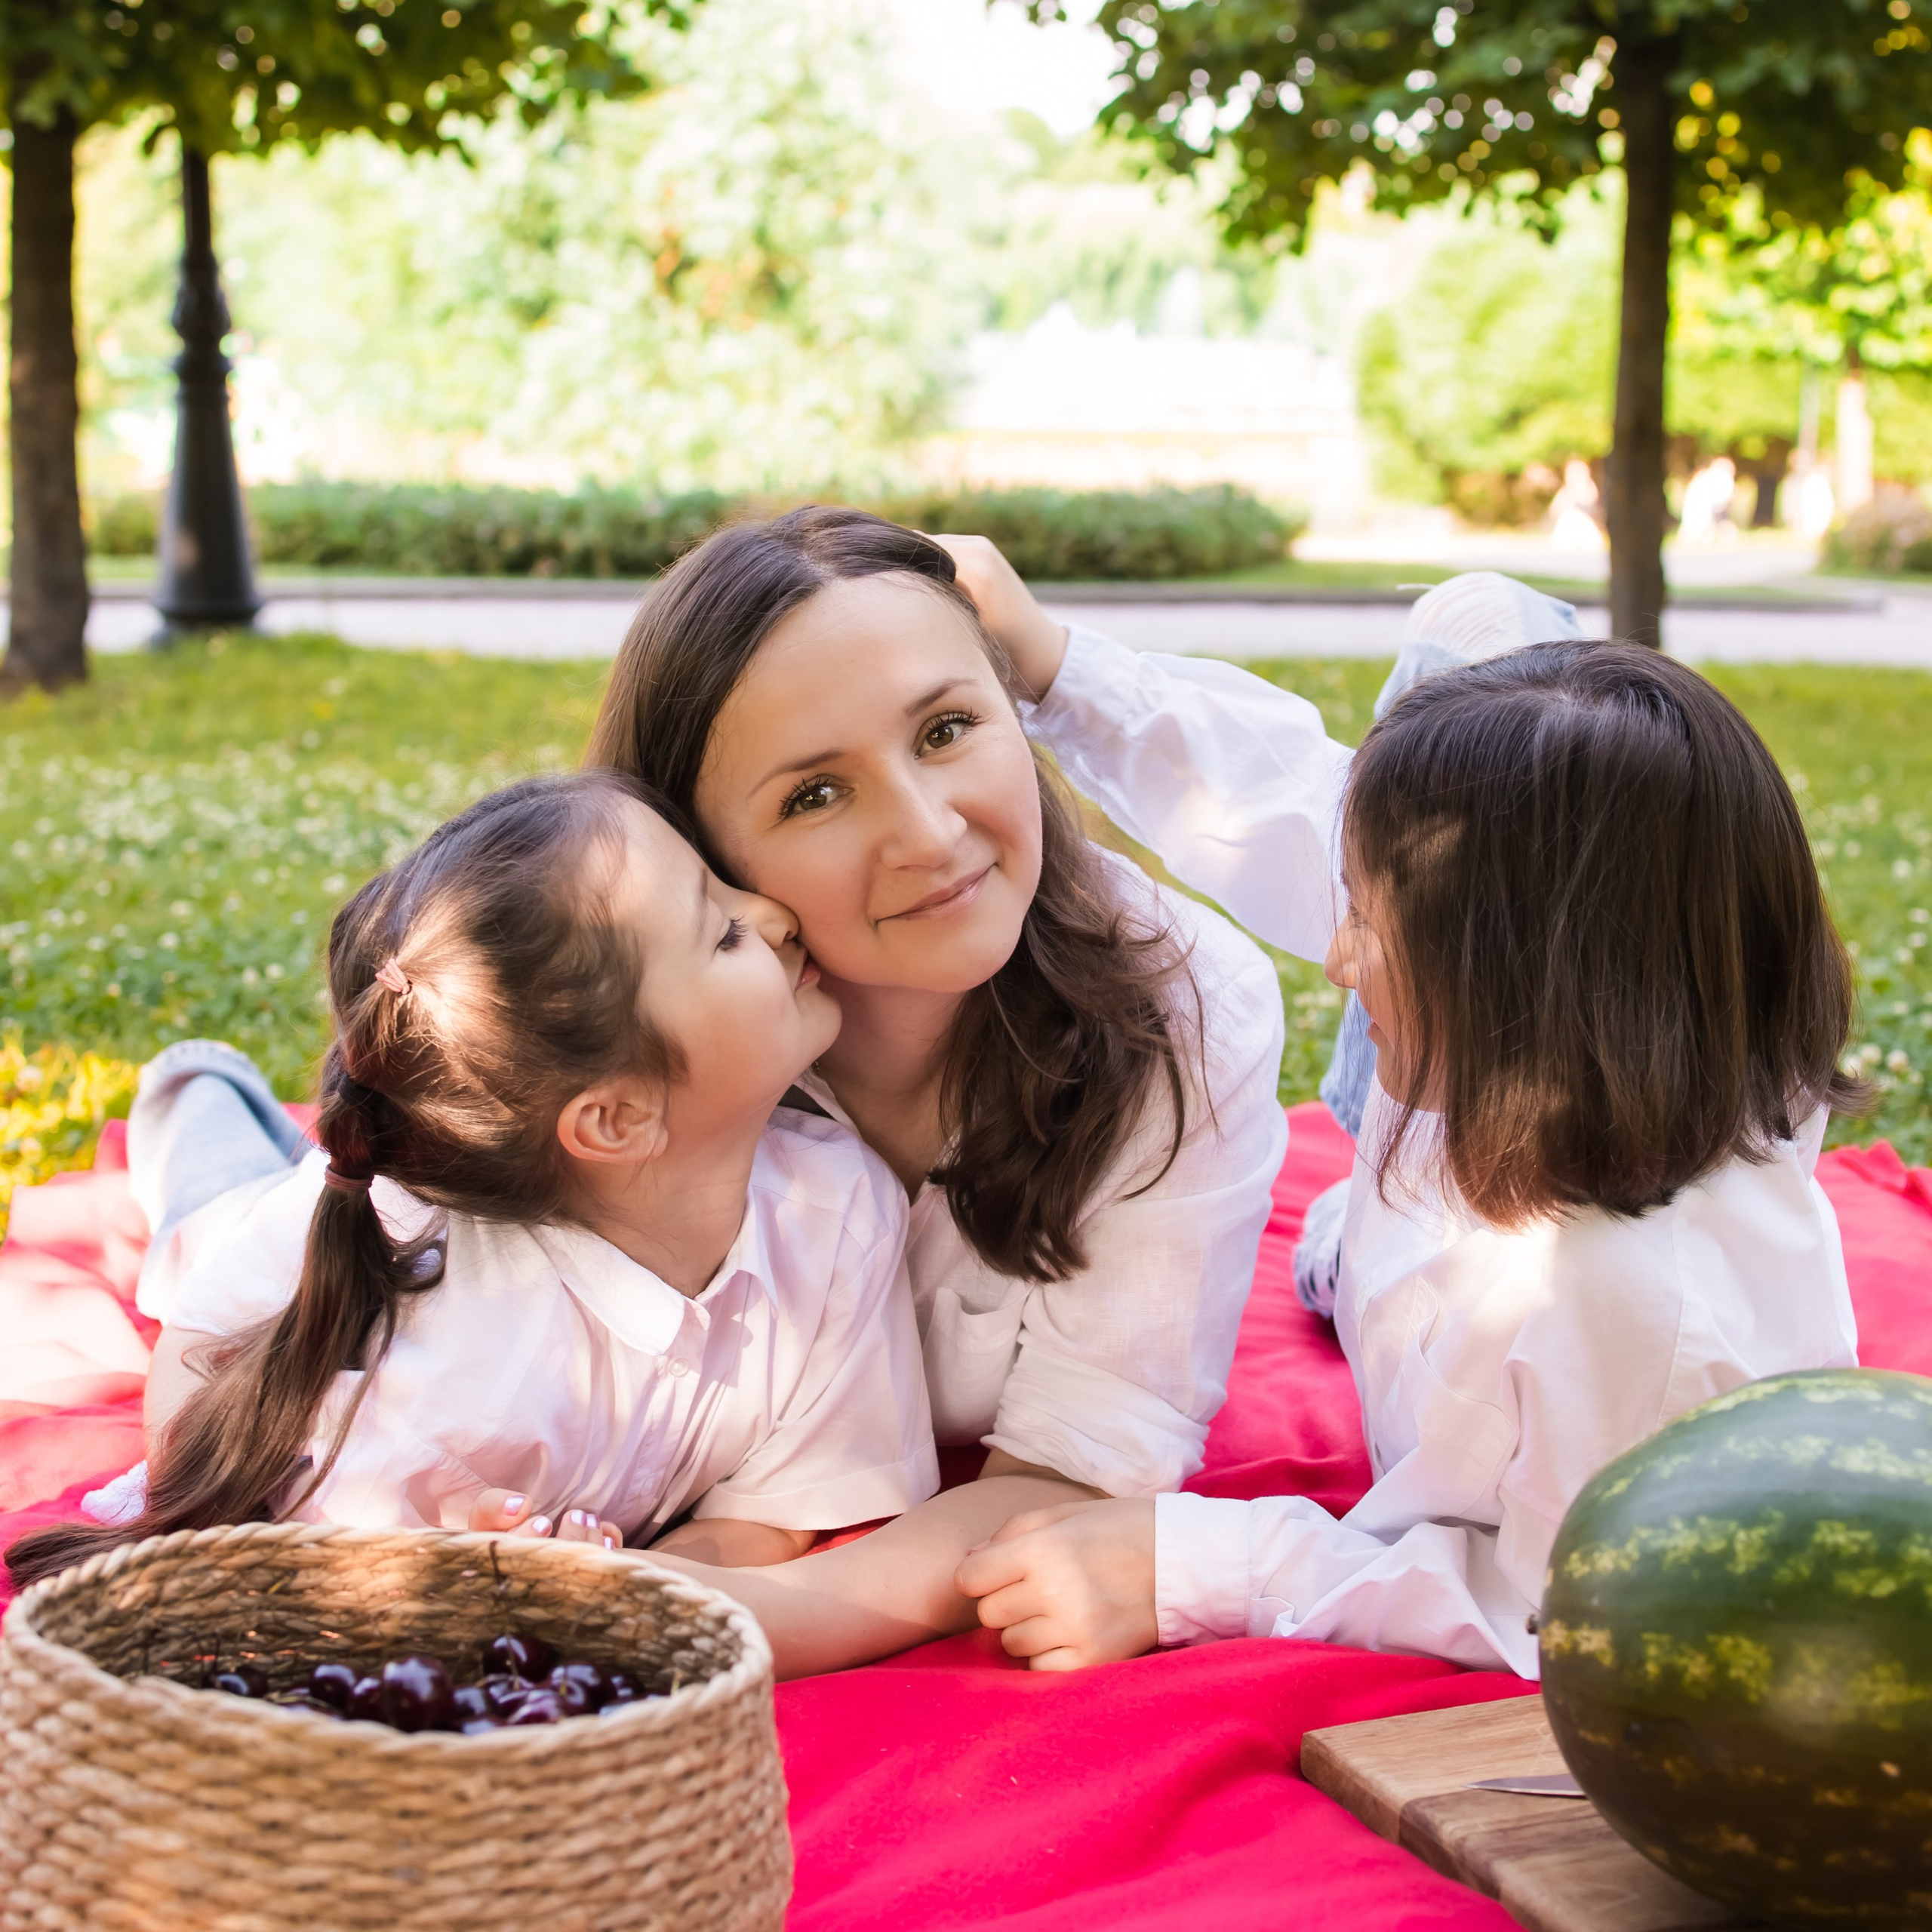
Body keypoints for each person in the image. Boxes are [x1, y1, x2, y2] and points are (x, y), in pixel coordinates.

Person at [939, 592, 1863, 1678]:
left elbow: (1549, 1612)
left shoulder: (1627, 1315)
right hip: (1429, 1284)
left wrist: (1200, 1565)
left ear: (1522, 981)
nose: (1333, 959)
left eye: (1368, 925)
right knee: (1475, 614)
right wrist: (1058, 663)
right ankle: (1342, 1244)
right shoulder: (1540, 1060)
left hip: (1523, 1376)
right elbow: (1283, 798)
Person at [565, 506, 1335, 1669]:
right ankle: (191, 1112)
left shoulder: (1181, 1000)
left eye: (946, 729)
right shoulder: (632, 1044)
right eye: (813, 796)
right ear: (705, 862)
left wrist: (744, 1618)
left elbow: (1073, 1475)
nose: (928, 834)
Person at [6, 771, 937, 1589]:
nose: (772, 914)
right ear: (615, 1117)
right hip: (263, 1229)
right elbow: (199, 1360)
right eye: (724, 932)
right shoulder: (419, 1264)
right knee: (198, 1216)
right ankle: (192, 1083)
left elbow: (763, 1521)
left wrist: (607, 1587)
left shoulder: (839, 1216)